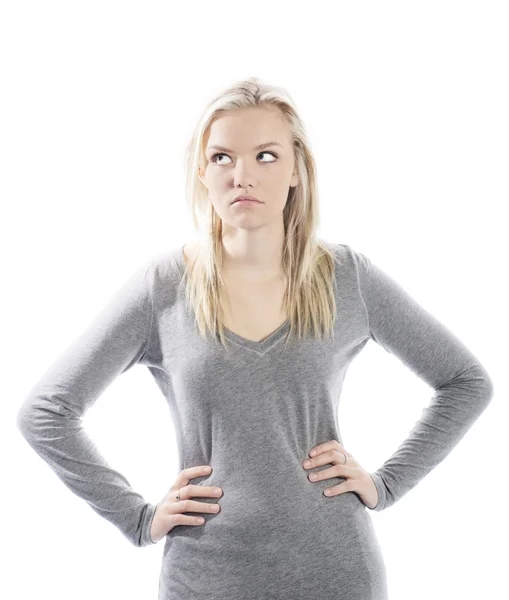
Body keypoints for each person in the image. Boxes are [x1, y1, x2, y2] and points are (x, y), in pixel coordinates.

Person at [16, 77, 494, 600]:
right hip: (205, 577)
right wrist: (137, 518)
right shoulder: (164, 287)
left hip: (335, 572)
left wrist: (387, 483)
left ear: (295, 170)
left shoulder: (345, 276)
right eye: (222, 157)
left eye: (265, 156)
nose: (242, 175)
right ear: (202, 172)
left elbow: (465, 382)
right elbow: (46, 412)